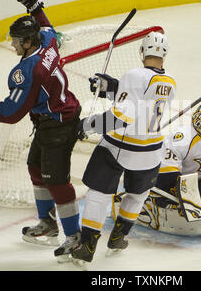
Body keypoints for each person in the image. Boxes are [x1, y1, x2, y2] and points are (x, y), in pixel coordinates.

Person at [0, 0, 81, 261]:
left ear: (29, 42)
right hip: (52, 118)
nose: (13, 45)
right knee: (35, 167)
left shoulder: (29, 71)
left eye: (17, 41)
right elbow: (47, 26)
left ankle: (75, 238)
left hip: (59, 124)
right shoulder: (48, 42)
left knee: (57, 182)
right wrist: (36, 7)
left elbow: (12, 112)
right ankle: (48, 222)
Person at [72, 31, 175, 268]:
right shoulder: (170, 81)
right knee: (138, 194)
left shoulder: (134, 74)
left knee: (98, 193)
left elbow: (123, 115)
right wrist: (112, 89)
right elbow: (143, 101)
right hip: (151, 151)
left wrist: (88, 124)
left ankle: (87, 245)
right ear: (165, 55)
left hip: (121, 148)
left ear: (142, 51)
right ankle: (119, 237)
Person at [113, 102, 201, 236]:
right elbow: (166, 175)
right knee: (169, 201)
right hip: (160, 178)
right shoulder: (183, 138)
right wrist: (180, 193)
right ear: (199, 123)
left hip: (193, 180)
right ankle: (147, 204)